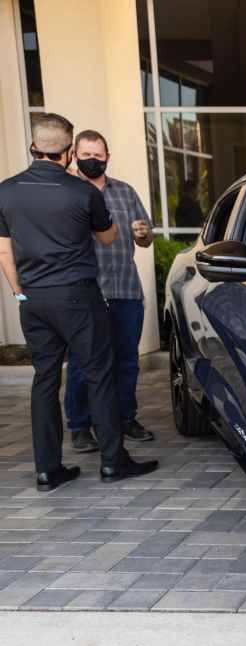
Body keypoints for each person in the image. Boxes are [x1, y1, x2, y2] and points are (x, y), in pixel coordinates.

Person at [0, 113, 158, 491]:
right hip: (78, 295)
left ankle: (48, 470)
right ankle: (111, 462)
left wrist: (20, 292)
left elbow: (4, 253)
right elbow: (106, 239)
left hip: (33, 300)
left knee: (45, 379)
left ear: (34, 147)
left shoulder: (5, 191)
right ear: (69, 152)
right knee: (100, 374)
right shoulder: (83, 192)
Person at [64, 130, 157, 451]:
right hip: (86, 294)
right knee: (81, 362)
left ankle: (125, 418)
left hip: (125, 289)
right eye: (86, 154)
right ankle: (79, 426)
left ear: (107, 157)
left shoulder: (125, 193)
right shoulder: (68, 193)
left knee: (126, 361)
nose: (92, 160)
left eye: (98, 155)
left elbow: (146, 238)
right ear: (74, 155)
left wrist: (143, 233)